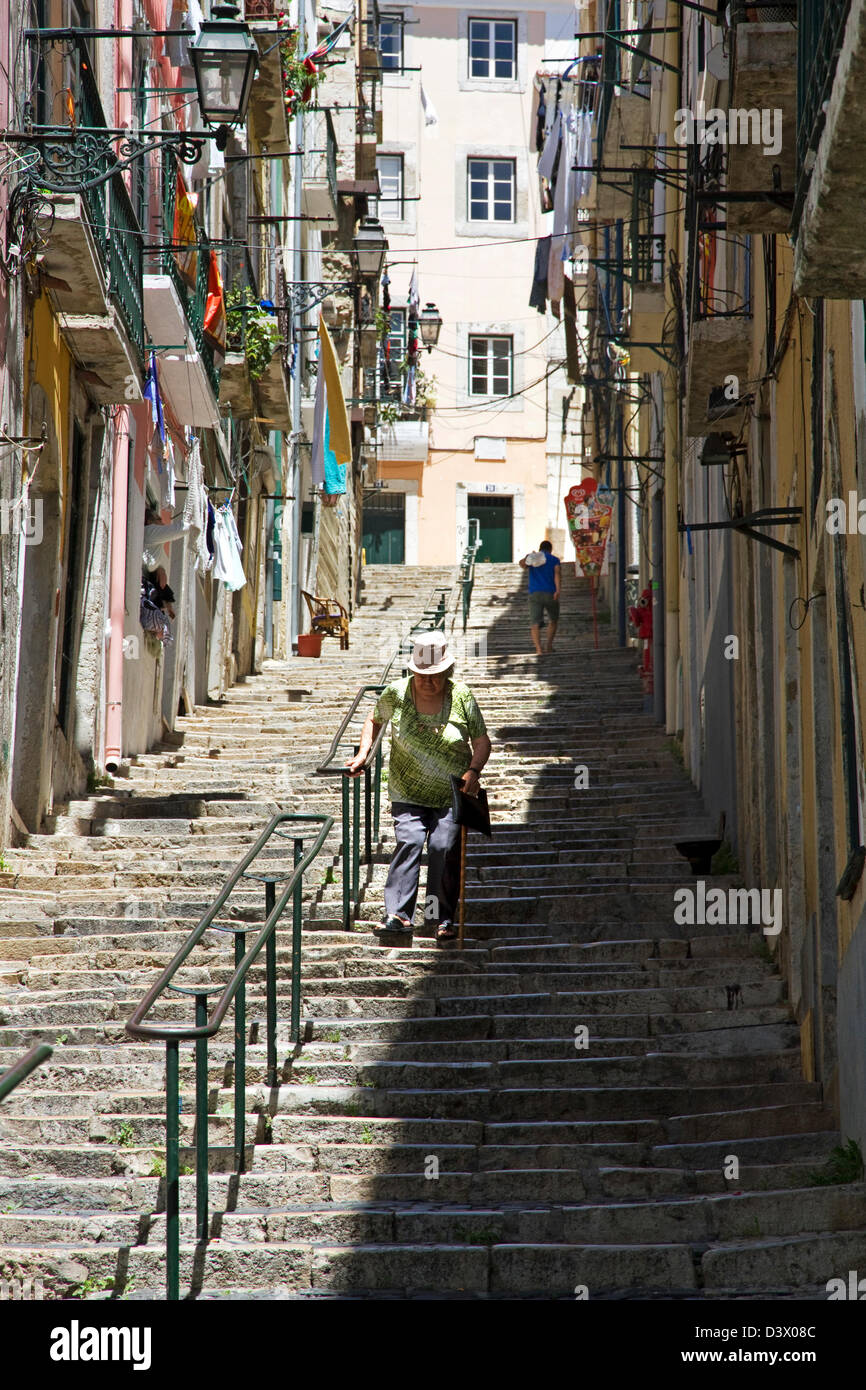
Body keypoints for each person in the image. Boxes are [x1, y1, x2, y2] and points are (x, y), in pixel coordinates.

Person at [345, 631, 491, 945]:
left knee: (442, 847)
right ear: (412, 671)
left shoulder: (461, 695)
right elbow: (373, 720)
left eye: (435, 675)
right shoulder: (396, 693)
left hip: (451, 792)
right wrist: (362, 753)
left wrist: (473, 771)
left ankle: (441, 918)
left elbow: (481, 741)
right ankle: (398, 916)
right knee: (409, 841)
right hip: (407, 790)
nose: (428, 681)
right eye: (421, 675)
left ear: (447, 672)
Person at [519, 539, 561, 654]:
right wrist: (558, 590)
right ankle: (548, 646)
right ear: (550, 550)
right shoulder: (555, 560)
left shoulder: (534, 558)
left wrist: (528, 557)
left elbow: (522, 564)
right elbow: (557, 574)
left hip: (535, 593)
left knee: (535, 622)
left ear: (540, 549)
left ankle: (538, 649)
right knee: (553, 620)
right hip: (550, 593)